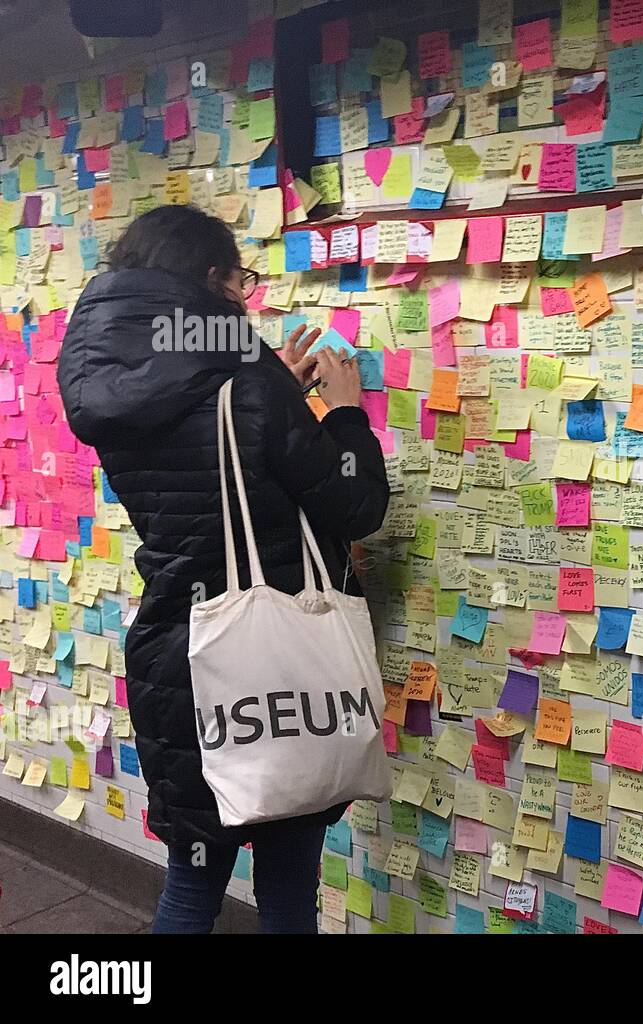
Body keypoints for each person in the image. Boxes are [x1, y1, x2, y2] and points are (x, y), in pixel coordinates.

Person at [56, 205, 390, 933]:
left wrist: (270, 385)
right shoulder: (252, 387)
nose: (248, 295)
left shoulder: (116, 387)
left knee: (193, 880)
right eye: (243, 280)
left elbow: (209, 450)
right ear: (211, 281)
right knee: (287, 885)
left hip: (179, 660)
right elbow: (357, 505)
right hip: (273, 673)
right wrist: (342, 415)